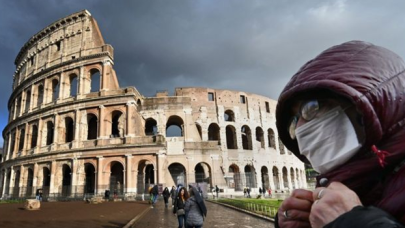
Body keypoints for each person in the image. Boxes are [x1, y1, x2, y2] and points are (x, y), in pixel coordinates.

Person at [274, 41, 405, 227]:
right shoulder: (355, 184)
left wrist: (351, 223)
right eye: (293, 123)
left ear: (369, 104)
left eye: (311, 107)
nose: (300, 129)